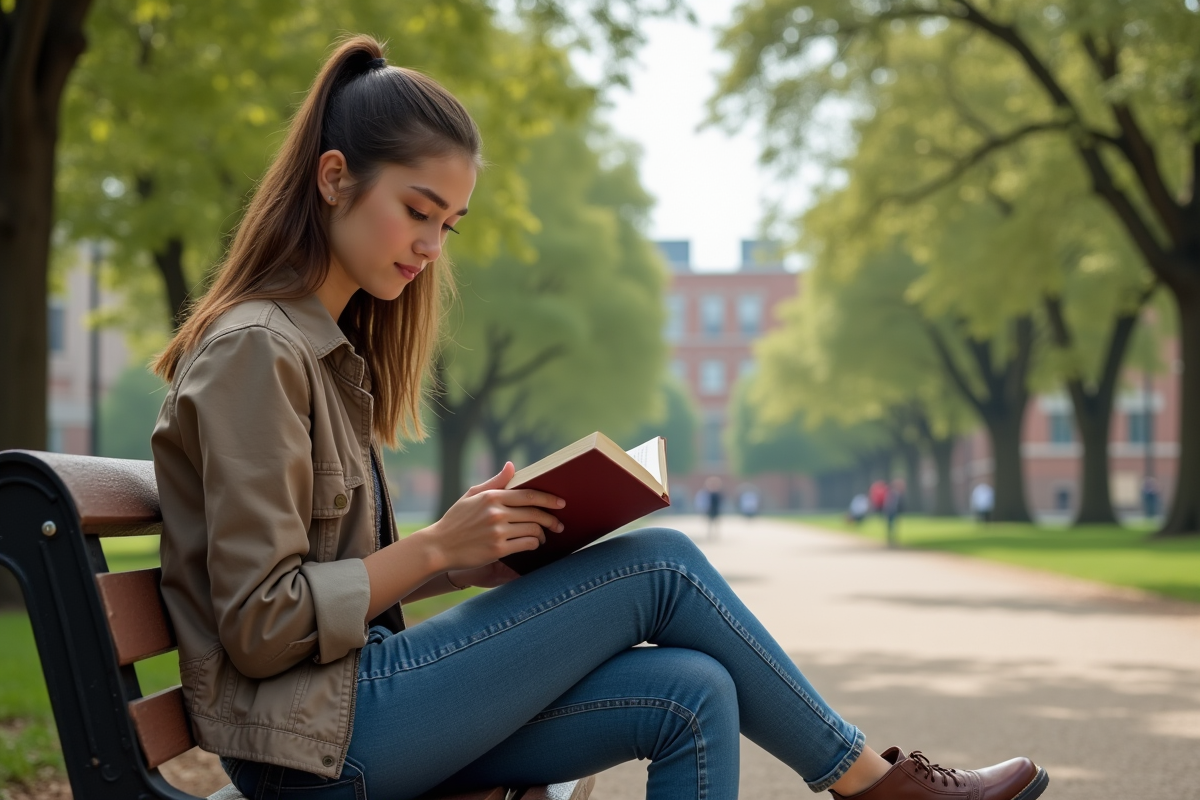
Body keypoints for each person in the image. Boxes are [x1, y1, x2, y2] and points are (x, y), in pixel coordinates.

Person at [149, 36, 1048, 800]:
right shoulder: (258, 350)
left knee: (694, 688)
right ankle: (872, 784)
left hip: (349, 716)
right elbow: (260, 627)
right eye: (417, 212)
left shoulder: (324, 349)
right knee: (662, 564)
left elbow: (323, 589)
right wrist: (434, 549)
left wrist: (471, 557)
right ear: (335, 180)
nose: (430, 247)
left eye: (449, 225)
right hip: (316, 748)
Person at [884, 478, 906, 548]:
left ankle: (893, 539)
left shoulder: (893, 493)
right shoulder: (893, 493)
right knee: (891, 526)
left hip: (893, 512)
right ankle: (891, 539)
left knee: (893, 526)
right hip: (891, 512)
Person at [703, 475, 724, 541]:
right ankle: (710, 534)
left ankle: (715, 534)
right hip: (711, 509)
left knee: (715, 522)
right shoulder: (708, 493)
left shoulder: (717, 493)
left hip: (716, 509)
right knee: (710, 522)